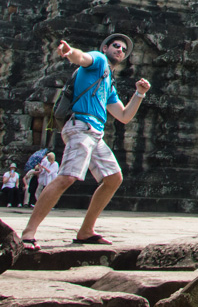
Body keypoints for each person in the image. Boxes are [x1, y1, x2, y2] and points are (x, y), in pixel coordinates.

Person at [20, 33, 151, 251]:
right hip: (81, 127)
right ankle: (28, 233)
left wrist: (139, 94)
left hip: (96, 134)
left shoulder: (108, 82)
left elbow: (124, 116)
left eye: (124, 50)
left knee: (113, 178)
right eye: (116, 46)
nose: (120, 50)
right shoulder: (99, 61)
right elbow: (82, 58)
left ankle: (86, 231)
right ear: (105, 47)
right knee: (67, 177)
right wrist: (70, 53)